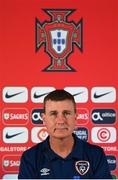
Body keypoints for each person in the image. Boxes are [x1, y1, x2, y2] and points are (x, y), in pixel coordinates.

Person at [18, 89, 112, 179]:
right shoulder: (30, 158)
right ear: (44, 118)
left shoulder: (96, 155)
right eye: (53, 114)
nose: (61, 121)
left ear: (75, 117)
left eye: (66, 113)